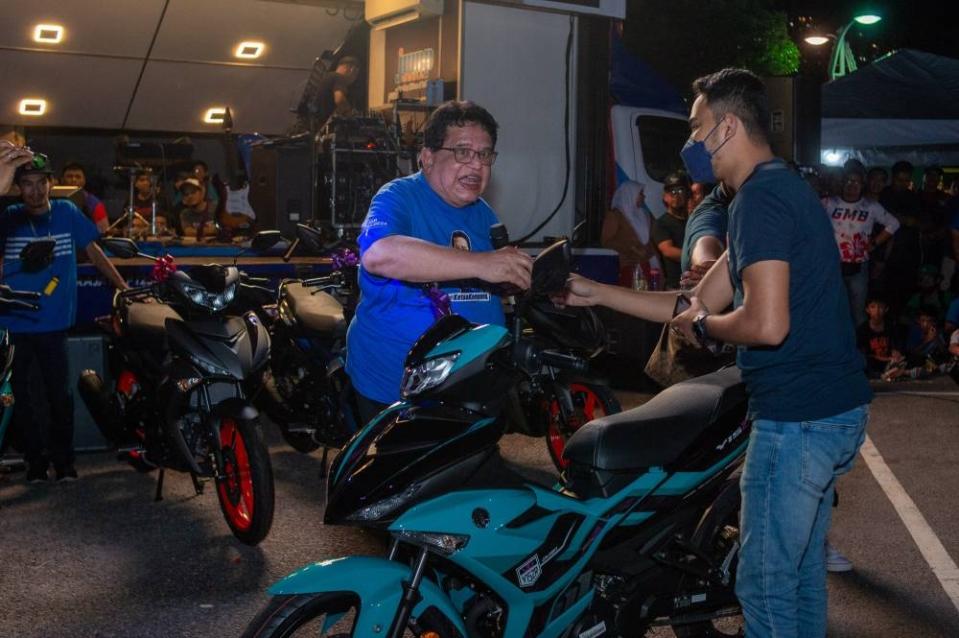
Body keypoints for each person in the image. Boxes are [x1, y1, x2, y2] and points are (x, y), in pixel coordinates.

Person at [556, 68, 871, 638]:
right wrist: (596, 293)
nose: (693, 144)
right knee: (798, 575)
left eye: (698, 129)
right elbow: (694, 301)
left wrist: (708, 325)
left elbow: (766, 324)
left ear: (728, 127)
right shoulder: (777, 188)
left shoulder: (761, 201)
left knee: (766, 583)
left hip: (798, 419)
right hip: (829, 412)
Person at [345, 100, 532, 424]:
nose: (476, 166)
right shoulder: (397, 197)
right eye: (462, 152)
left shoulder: (483, 213)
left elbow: (493, 277)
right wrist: (480, 264)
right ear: (427, 157)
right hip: (397, 387)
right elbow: (380, 254)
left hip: (469, 381)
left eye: (485, 155)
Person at [0, 153, 129, 483]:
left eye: (40, 183)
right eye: (26, 184)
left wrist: (123, 287)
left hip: (54, 324)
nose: (35, 191)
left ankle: (64, 462)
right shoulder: (9, 216)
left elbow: (95, 253)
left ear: (51, 183)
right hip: (14, 323)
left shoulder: (68, 212)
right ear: (17, 188)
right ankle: (36, 464)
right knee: (21, 398)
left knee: (61, 397)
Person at [823, 164, 899, 327]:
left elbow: (893, 223)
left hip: (859, 265)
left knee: (858, 309)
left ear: (862, 185)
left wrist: (874, 243)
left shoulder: (870, 206)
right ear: (842, 183)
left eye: (857, 182)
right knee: (833, 307)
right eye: (848, 181)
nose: (852, 185)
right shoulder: (829, 203)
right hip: (833, 265)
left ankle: (859, 345)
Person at [880, 161, 923, 319]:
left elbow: (920, 222)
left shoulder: (913, 197)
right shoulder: (884, 194)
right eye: (900, 180)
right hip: (887, 252)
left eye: (906, 180)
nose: (903, 184)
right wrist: (904, 220)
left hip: (909, 253)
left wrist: (910, 221)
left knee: (905, 296)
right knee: (885, 295)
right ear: (893, 177)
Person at [600, 180, 661, 288]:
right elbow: (606, 242)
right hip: (626, 267)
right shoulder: (615, 216)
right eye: (640, 194)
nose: (643, 196)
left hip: (646, 267)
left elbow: (652, 240)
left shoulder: (646, 215)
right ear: (630, 195)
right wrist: (631, 248)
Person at [679, 181, 732, 289]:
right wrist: (706, 267)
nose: (690, 199)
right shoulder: (711, 209)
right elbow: (704, 238)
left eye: (695, 193)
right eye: (691, 193)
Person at [651, 171, 692, 289]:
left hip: (698, 285)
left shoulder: (694, 221)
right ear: (665, 197)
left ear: (687, 194)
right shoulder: (661, 224)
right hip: (676, 288)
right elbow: (668, 250)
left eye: (680, 190)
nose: (676, 196)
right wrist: (697, 259)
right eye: (672, 192)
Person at [857, 297, 903, 378]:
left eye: (880, 307)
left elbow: (896, 347)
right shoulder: (862, 330)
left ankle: (897, 372)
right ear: (867, 310)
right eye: (873, 307)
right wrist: (887, 359)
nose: (877, 311)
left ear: (886, 309)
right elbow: (864, 354)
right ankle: (883, 375)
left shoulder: (891, 327)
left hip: (890, 362)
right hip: (873, 363)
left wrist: (896, 353)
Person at [60, 162, 109, 233]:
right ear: (62, 180)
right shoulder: (53, 200)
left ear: (84, 180)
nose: (74, 180)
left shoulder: (94, 204)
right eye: (69, 176)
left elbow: (104, 232)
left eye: (78, 177)